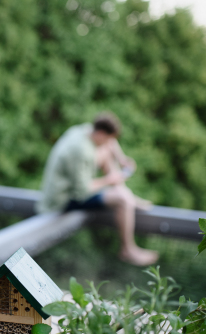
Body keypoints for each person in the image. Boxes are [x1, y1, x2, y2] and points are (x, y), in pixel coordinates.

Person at [36, 112, 158, 266]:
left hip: (70, 189)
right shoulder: (81, 151)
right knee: (123, 199)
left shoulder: (85, 130)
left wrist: (121, 158)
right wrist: (110, 180)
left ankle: (126, 194)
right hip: (63, 200)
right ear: (101, 133)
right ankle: (128, 249)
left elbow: (111, 143)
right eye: (108, 137)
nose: (110, 142)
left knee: (106, 152)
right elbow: (82, 190)